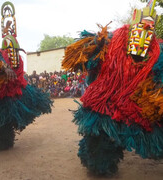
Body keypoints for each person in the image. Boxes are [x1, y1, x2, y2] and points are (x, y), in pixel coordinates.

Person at [62, 0, 163, 176]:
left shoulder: (156, 53)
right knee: (100, 136)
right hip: (105, 101)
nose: (144, 35)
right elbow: (87, 60)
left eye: (150, 30)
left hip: (133, 103)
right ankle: (99, 161)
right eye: (141, 28)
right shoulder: (112, 43)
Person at [0, 1, 53, 151]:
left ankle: (5, 137)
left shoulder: (18, 59)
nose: (11, 51)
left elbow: (18, 75)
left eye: (14, 49)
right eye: (9, 48)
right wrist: (4, 66)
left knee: (9, 117)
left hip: (13, 93)